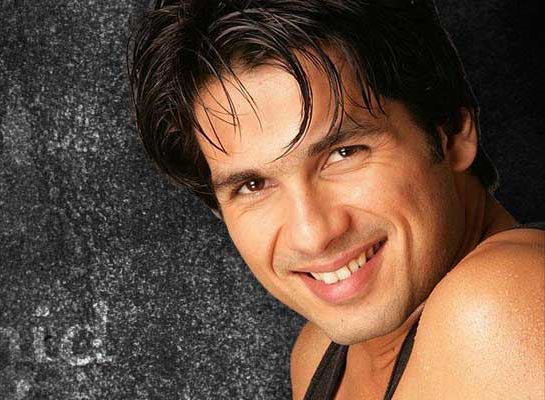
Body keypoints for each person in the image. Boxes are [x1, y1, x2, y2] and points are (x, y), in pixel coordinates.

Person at [127, 1, 544, 398]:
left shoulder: (499, 306)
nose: (313, 235)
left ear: (452, 132)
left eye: (343, 153)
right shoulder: (318, 356)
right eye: (253, 185)